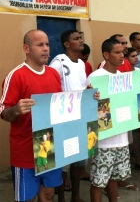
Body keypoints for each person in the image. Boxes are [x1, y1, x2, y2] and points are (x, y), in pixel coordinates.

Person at [0, 30, 63, 202]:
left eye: (47, 44)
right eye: (40, 45)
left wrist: (88, 99)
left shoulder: (53, 74)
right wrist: (16, 110)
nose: (46, 49)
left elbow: (62, 106)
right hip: (25, 152)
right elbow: (4, 114)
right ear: (26, 48)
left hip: (48, 146)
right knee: (27, 198)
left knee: (48, 195)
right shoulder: (16, 75)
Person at [87, 39, 132, 202]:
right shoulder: (95, 77)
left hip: (121, 138)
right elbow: (88, 110)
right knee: (99, 181)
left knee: (114, 178)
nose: (122, 56)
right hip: (104, 141)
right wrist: (90, 98)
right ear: (106, 55)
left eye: (123, 53)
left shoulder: (123, 77)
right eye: (117, 52)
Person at [49, 29, 88, 202]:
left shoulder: (81, 63)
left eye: (81, 38)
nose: (81, 41)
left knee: (79, 159)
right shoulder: (58, 62)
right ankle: (62, 197)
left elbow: (83, 87)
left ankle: (76, 196)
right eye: (76, 39)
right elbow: (51, 87)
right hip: (63, 119)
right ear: (67, 44)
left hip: (80, 118)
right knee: (63, 160)